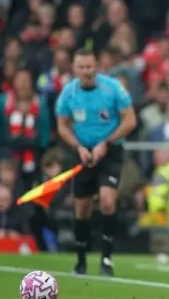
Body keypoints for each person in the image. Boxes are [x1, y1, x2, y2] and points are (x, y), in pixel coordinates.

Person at [55, 49, 137, 277]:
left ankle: (106, 259)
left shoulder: (113, 88)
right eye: (81, 67)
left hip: (110, 151)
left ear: (97, 66)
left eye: (89, 67)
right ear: (74, 69)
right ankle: (81, 260)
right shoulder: (68, 92)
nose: (86, 71)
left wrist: (107, 142)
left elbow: (130, 120)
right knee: (82, 208)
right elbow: (62, 125)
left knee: (108, 201)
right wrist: (77, 147)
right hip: (82, 152)